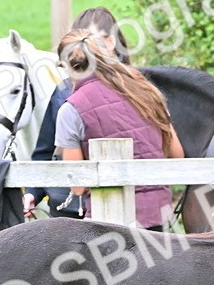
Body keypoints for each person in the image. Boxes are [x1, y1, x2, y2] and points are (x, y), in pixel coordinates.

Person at [54, 28, 184, 231]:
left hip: (106, 223)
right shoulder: (147, 90)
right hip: (159, 218)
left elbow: (78, 185)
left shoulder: (71, 110)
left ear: (68, 67)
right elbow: (177, 155)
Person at [24, 7, 132, 220]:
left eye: (91, 41)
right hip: (68, 211)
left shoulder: (138, 90)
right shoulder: (62, 92)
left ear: (111, 42)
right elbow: (45, 152)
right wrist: (32, 192)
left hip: (126, 207)